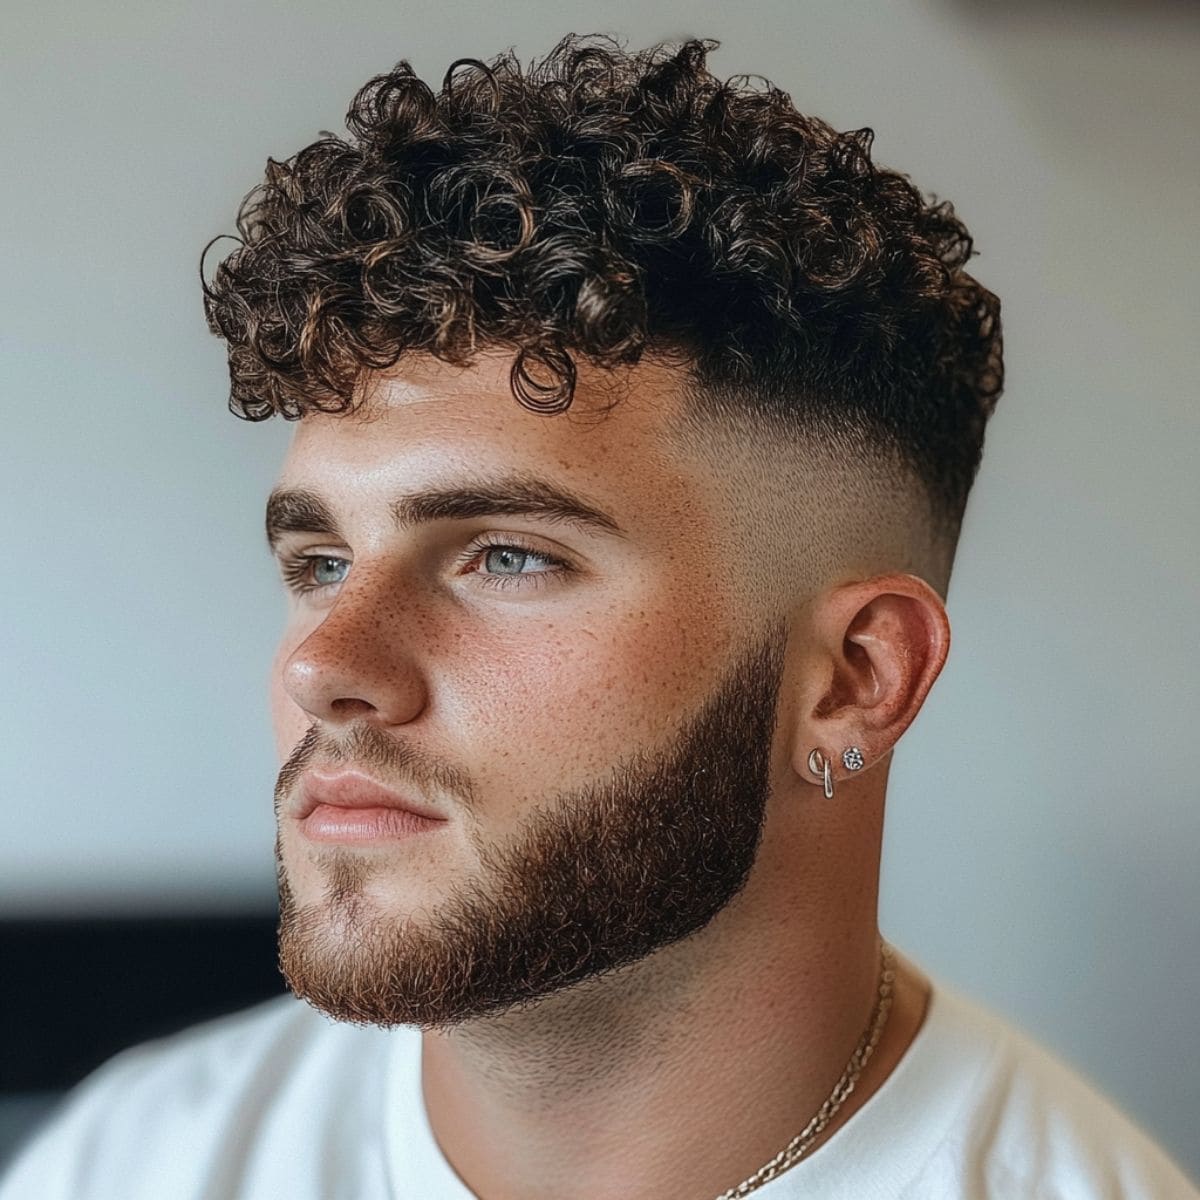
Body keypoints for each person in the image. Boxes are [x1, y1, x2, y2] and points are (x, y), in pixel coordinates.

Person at [2, 32, 1195, 1200]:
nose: (324, 664)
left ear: (853, 679)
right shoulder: (139, 1156)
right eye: (319, 560)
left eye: (507, 555)